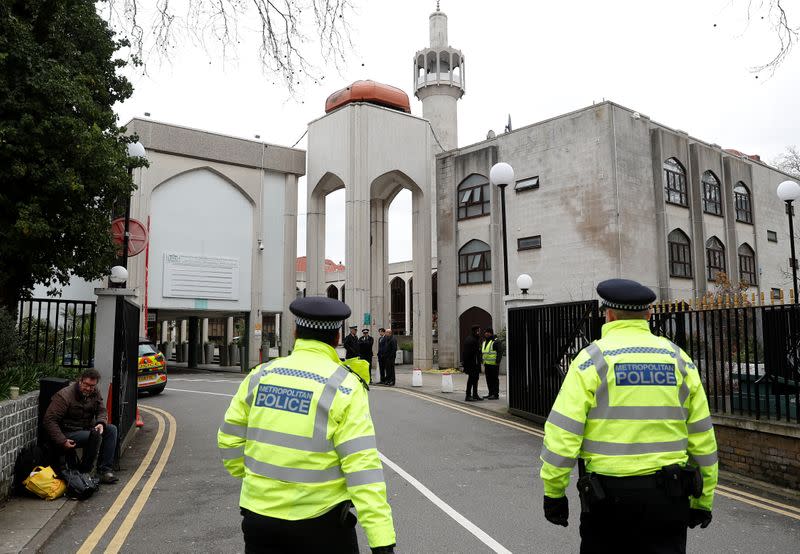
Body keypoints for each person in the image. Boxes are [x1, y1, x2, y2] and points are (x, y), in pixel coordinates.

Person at [539, 279, 718, 554]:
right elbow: (702, 437)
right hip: (669, 499)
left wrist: (554, 492)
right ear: (648, 315)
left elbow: (563, 433)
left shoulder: (591, 360)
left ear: (608, 315)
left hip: (609, 499)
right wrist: (702, 500)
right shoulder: (679, 360)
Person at [218, 296, 396, 554]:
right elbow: (362, 469)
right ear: (336, 337)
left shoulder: (261, 375)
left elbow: (229, 439)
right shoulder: (345, 386)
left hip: (259, 521)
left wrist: (258, 482)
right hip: (322, 526)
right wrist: (382, 542)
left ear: (295, 331)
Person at [43, 368, 119, 484]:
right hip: (68, 432)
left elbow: (102, 410)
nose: (89, 389)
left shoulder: (94, 392)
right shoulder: (64, 396)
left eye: (92, 386)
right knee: (94, 436)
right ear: (80, 381)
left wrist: (100, 423)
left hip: (87, 429)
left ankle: (104, 471)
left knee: (111, 430)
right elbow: (49, 420)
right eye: (86, 385)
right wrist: (62, 440)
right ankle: (84, 472)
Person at [481, 327, 503, 400]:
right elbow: (484, 352)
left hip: (494, 364)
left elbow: (500, 352)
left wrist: (497, 361)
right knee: (489, 379)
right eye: (485, 332)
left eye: (488, 332)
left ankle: (495, 394)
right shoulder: (485, 342)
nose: (486, 333)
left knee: (494, 380)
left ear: (491, 333)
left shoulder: (496, 341)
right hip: (487, 364)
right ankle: (490, 393)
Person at [461, 325, 482, 401]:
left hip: (474, 364)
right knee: (471, 379)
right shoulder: (471, 340)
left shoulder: (474, 339)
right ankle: (468, 395)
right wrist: (466, 364)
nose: (480, 332)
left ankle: (475, 394)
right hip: (472, 364)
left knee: (475, 379)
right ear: (476, 331)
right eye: (479, 331)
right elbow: (467, 353)